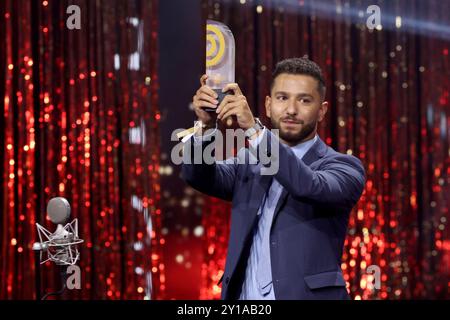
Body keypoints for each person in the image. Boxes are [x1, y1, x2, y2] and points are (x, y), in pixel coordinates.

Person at [181, 57, 365, 300]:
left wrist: (255, 131)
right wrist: (205, 127)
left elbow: (307, 186)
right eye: (282, 98)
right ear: (268, 105)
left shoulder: (343, 166)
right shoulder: (248, 163)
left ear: (322, 111)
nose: (291, 109)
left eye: (304, 100)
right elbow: (199, 176)